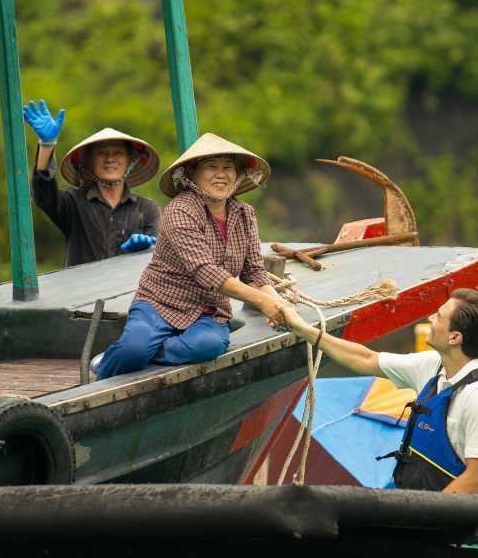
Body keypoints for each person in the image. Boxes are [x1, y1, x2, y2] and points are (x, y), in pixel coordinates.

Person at [280, 289, 478, 495]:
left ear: (454, 337)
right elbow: (366, 359)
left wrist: (425, 514)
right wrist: (303, 329)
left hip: (461, 518)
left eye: (438, 317)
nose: (430, 318)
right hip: (425, 505)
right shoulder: (433, 365)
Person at [93, 133, 289, 379]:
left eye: (228, 167)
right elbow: (206, 271)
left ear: (238, 175)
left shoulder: (245, 213)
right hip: (159, 304)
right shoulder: (179, 211)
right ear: (191, 175)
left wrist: (278, 303)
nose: (221, 174)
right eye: (211, 167)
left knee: (208, 346)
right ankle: (108, 363)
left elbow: (254, 271)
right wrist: (263, 303)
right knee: (133, 349)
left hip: (209, 310)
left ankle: (146, 354)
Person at [23, 99, 161, 267]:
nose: (110, 159)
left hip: (131, 291)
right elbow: (43, 196)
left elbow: (158, 262)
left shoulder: (147, 209)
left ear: (130, 160)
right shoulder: (72, 203)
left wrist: (144, 250)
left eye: (117, 153)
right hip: (82, 292)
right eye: (101, 153)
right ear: (87, 162)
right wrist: (47, 145)